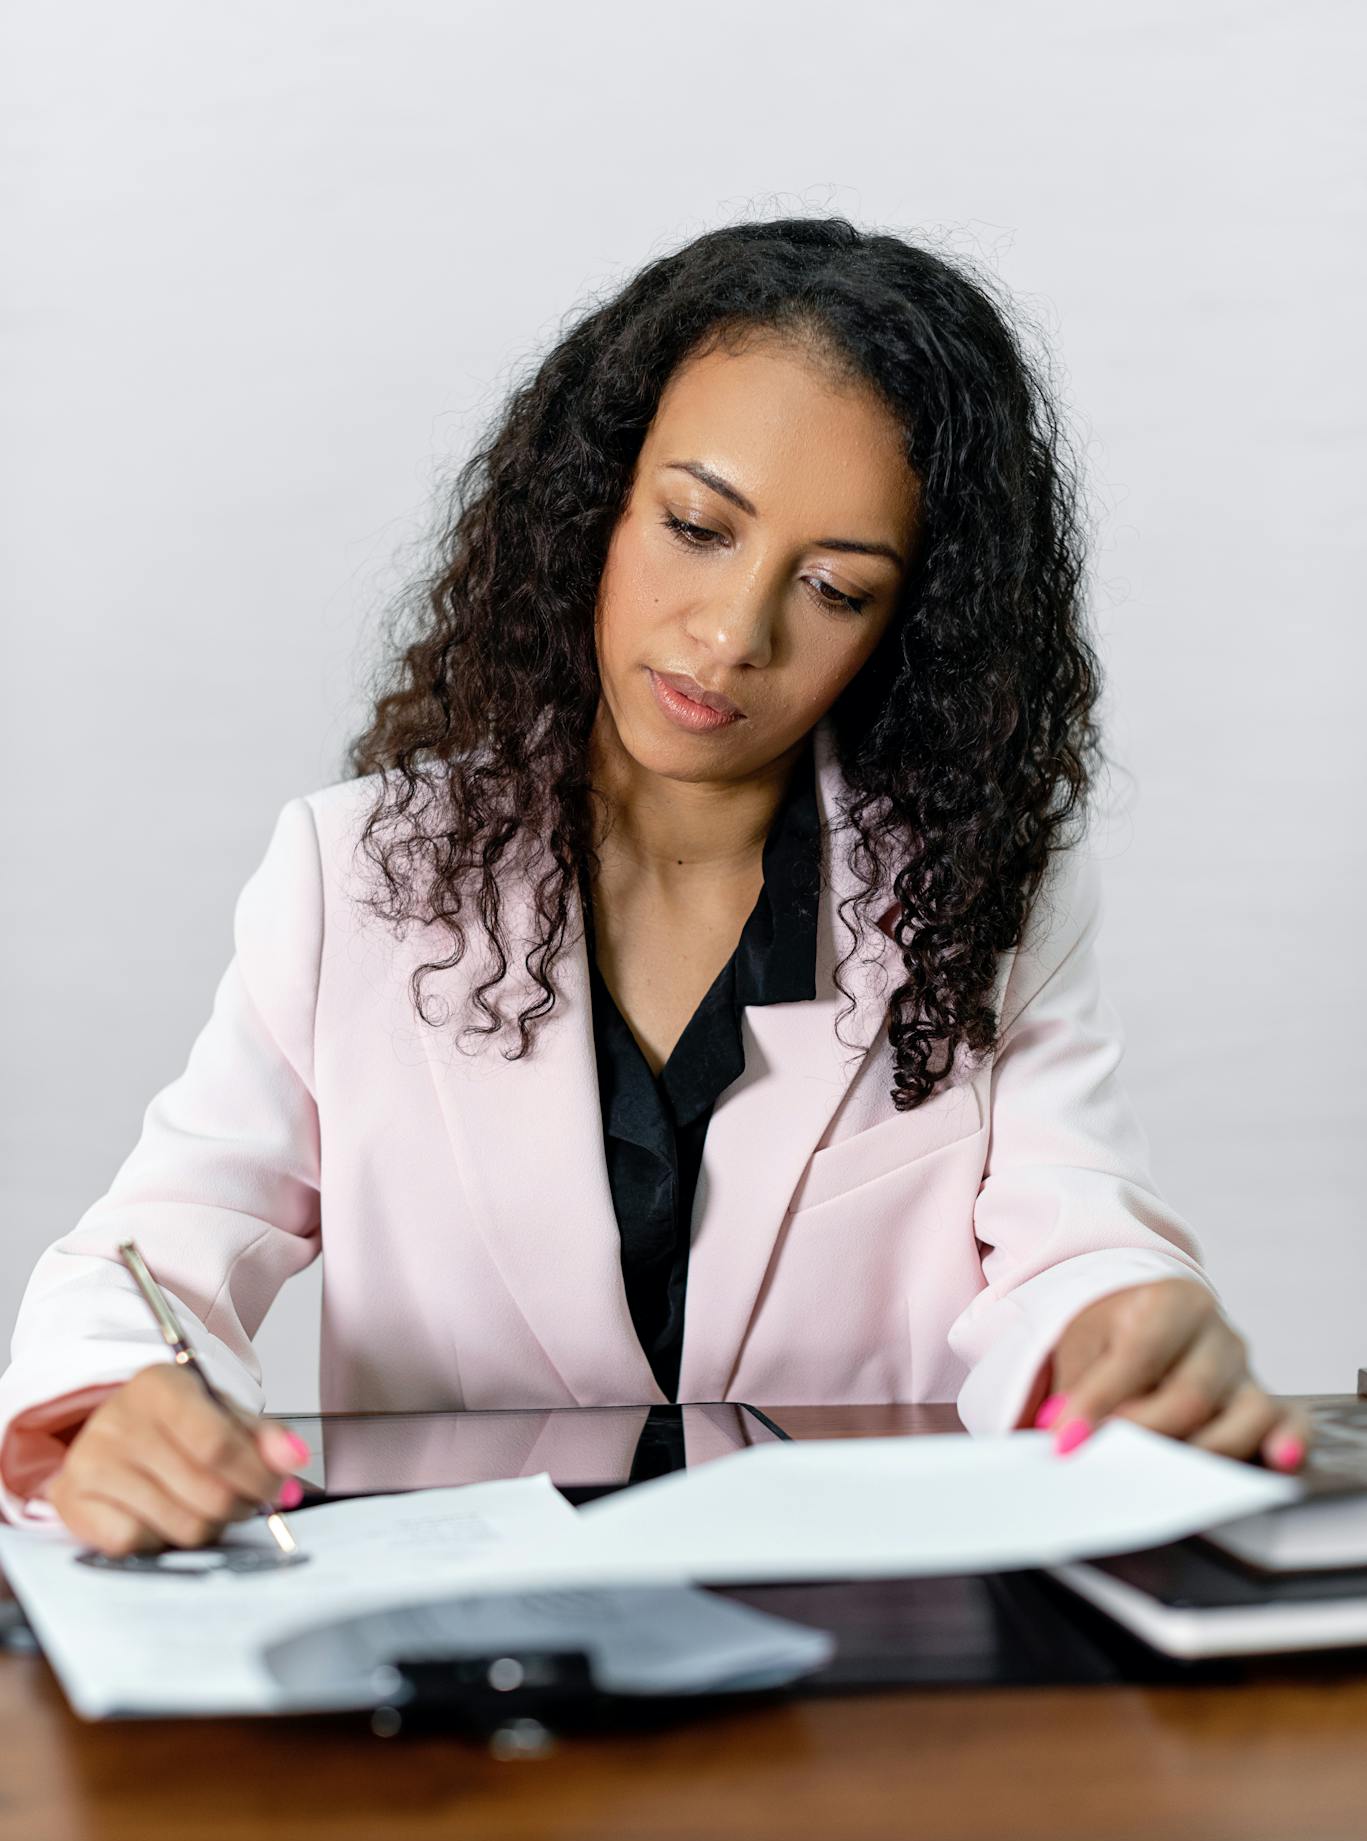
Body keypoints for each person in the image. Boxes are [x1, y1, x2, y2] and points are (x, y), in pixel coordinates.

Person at [0, 216, 1308, 1555]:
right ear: (597, 504)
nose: (736, 636)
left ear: (909, 623)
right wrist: (121, 1402)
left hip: (857, 1679)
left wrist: (1124, 1326)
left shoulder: (983, 893)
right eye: (696, 526)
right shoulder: (352, 877)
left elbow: (1075, 1241)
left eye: (836, 589)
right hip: (470, 1682)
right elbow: (155, 1252)